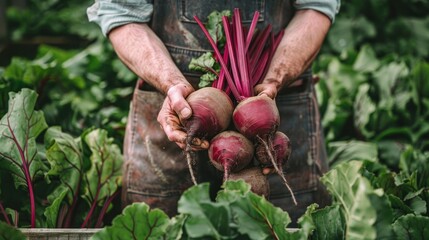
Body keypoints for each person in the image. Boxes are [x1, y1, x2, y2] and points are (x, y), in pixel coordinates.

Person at [87, 0, 340, 225]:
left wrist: (274, 79)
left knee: (283, 225)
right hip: (177, 111)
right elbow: (121, 12)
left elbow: (316, 7)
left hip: (275, 107)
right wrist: (171, 83)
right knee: (161, 226)